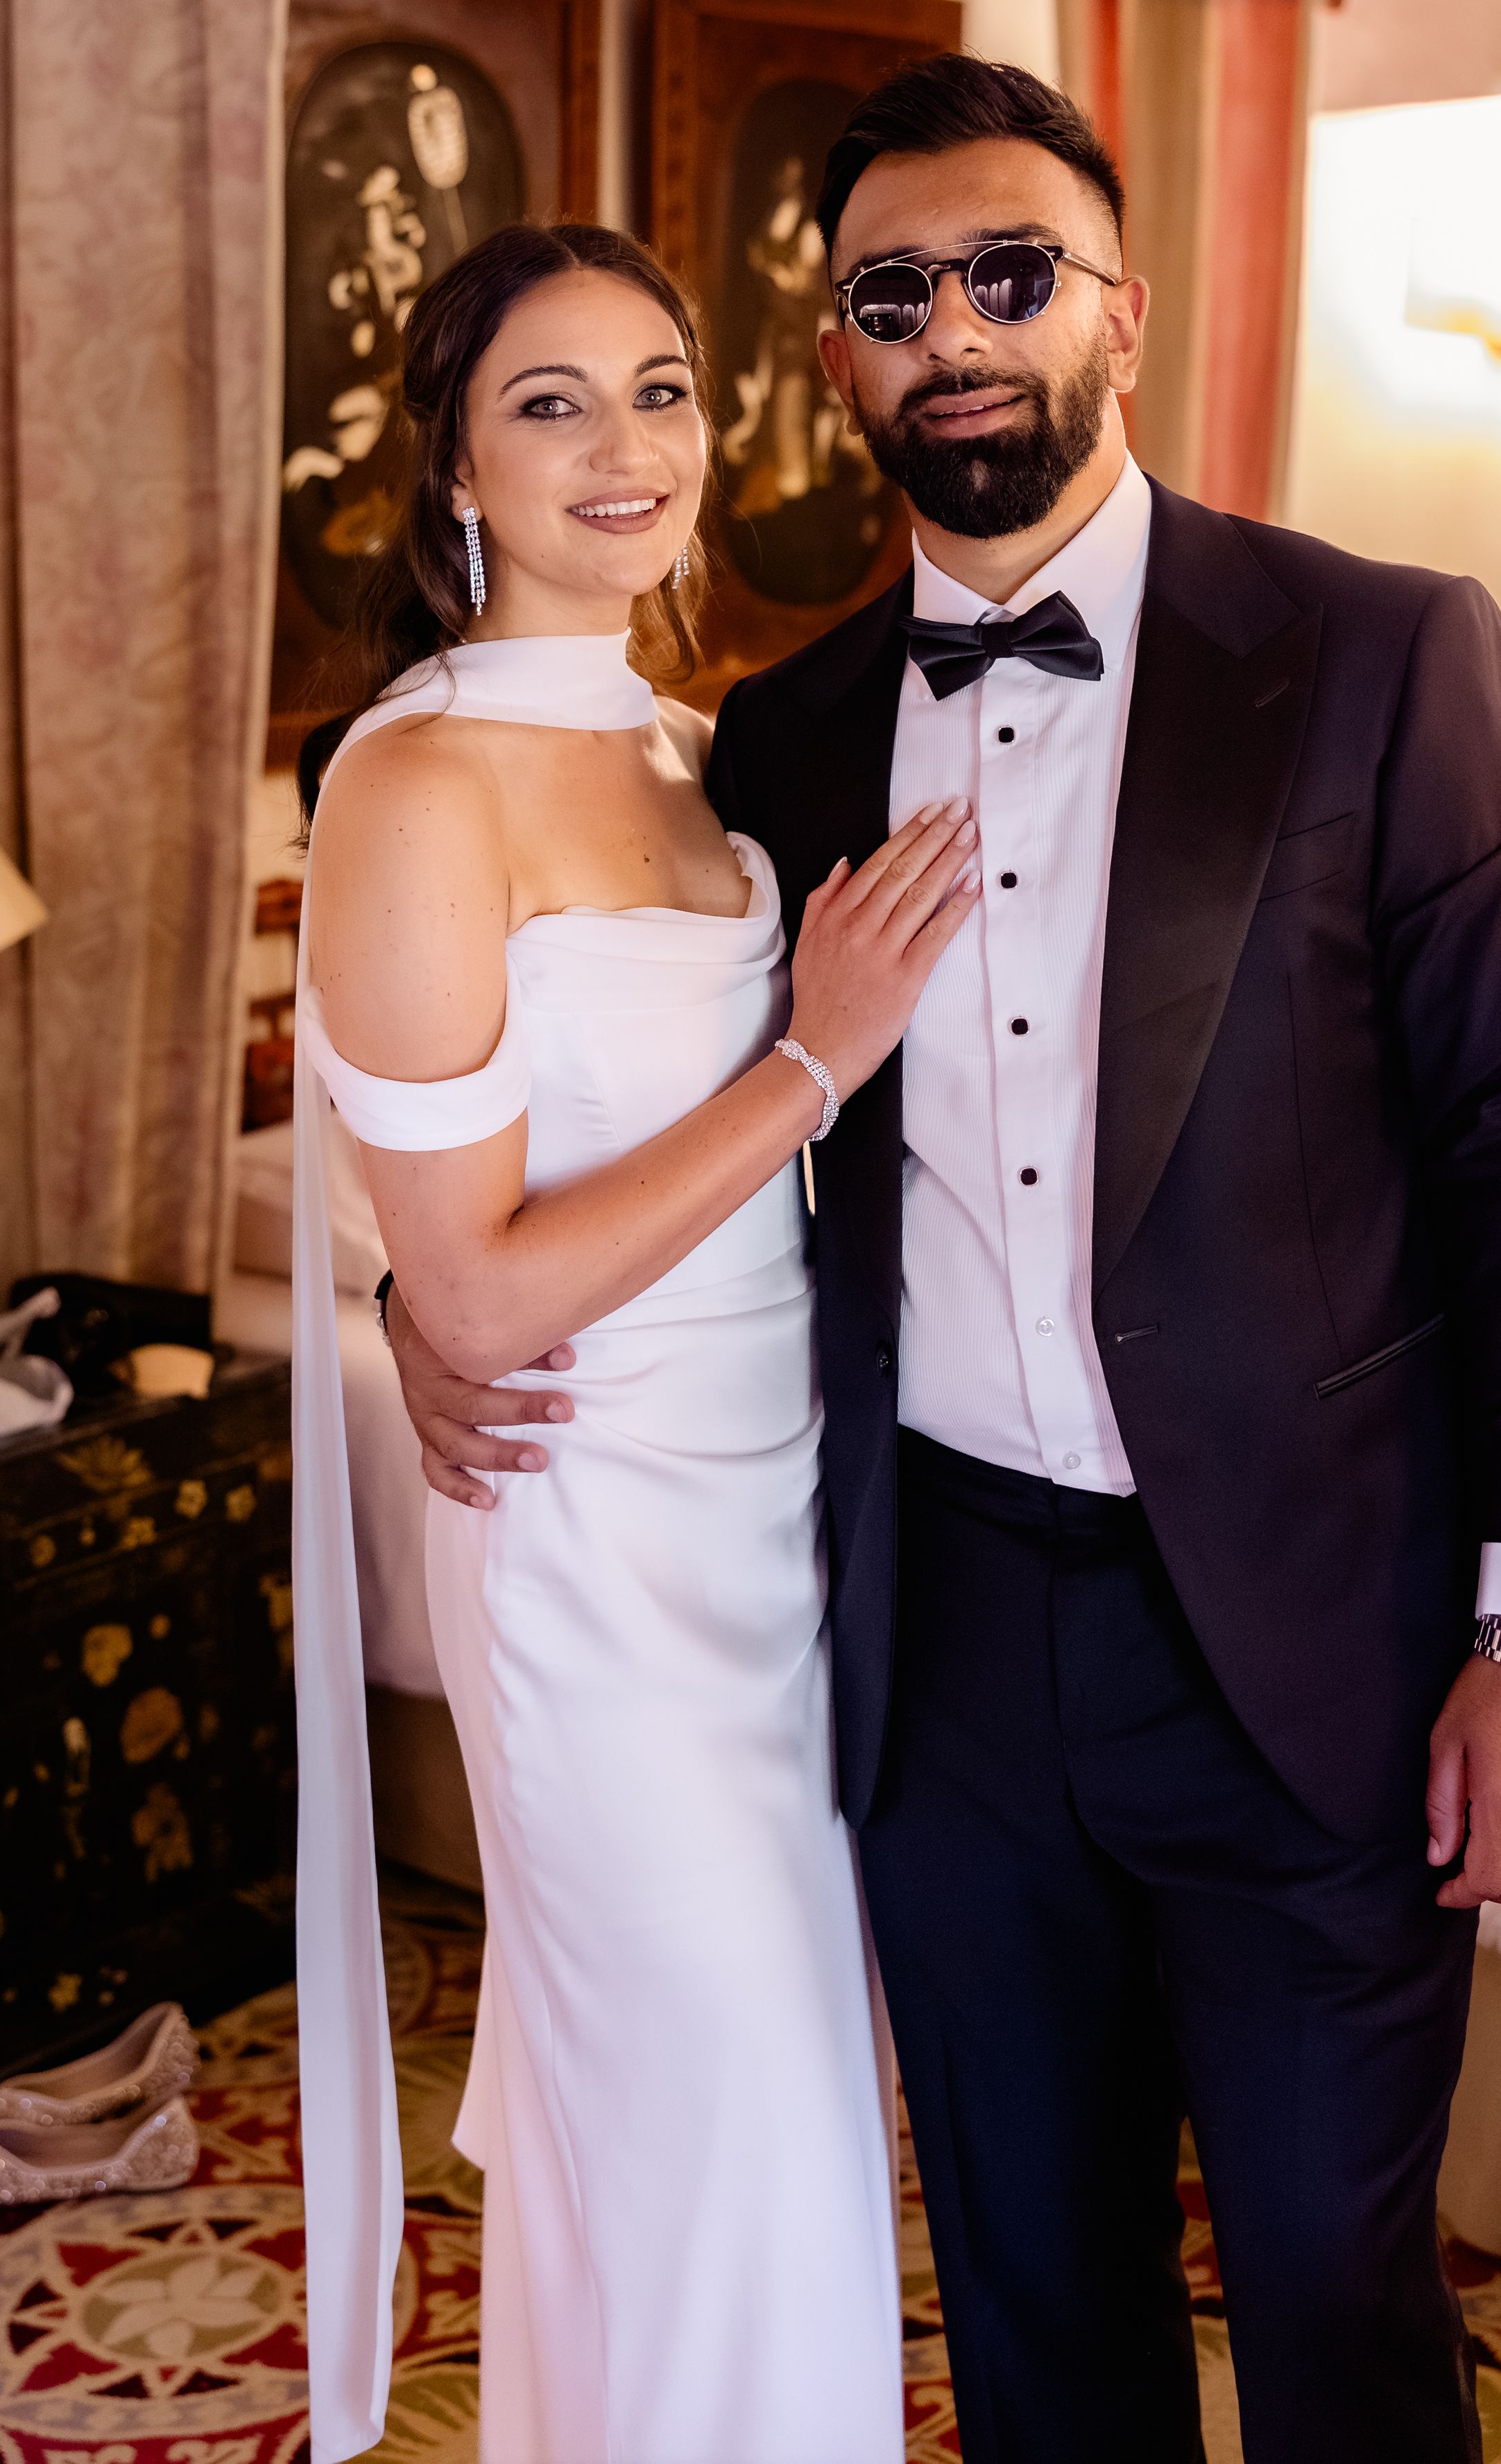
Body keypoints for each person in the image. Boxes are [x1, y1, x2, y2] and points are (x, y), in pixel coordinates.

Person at [392, 59, 1501, 2464]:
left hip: (1314, 1640)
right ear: (840, 361)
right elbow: (611, 1107)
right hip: (943, 1653)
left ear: (1121, 311)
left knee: (1337, 2301)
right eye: (896, 296)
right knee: (1032, 2298)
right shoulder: (769, 744)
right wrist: (422, 1298)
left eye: (1009, 272)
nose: (955, 329)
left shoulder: (1386, 651)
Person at [290, 218, 979, 2464]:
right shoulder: (411, 785)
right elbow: (478, 1289)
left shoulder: (703, 754)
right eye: (551, 400)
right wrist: (817, 1055)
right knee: (715, 2131)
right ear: (456, 471)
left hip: (780, 1538)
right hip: (590, 1547)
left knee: (776, 2142)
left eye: (660, 388)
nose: (625, 443)